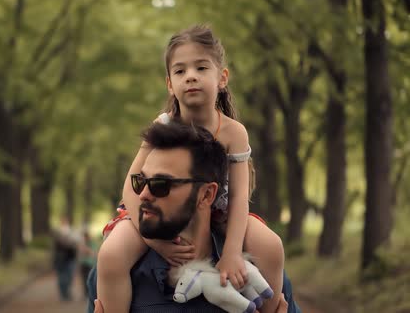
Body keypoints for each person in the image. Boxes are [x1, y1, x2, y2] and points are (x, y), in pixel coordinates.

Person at [97, 25, 286, 313]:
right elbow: (132, 187)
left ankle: (271, 307)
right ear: (170, 84)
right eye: (180, 71)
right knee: (111, 253)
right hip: (155, 210)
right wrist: (154, 241)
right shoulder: (163, 125)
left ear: (222, 78)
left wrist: (232, 253)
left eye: (201, 67)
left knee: (270, 245)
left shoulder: (234, 132)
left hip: (220, 213)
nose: (191, 77)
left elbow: (238, 198)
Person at [88, 122, 299, 312]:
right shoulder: (115, 271)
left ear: (207, 194)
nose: (143, 194)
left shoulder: (260, 274)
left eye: (161, 184)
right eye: (140, 182)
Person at [51, 217, 78, 301]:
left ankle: (67, 293)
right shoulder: (58, 233)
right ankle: (63, 294)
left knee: (69, 277)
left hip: (70, 258)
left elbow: (75, 243)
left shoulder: (72, 232)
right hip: (61, 260)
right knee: (62, 278)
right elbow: (59, 245)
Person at [79, 230, 98, 298]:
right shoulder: (82, 244)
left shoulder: (92, 243)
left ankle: (90, 293)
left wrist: (87, 250)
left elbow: (94, 253)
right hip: (83, 263)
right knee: (83, 279)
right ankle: (85, 293)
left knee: (89, 279)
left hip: (90, 264)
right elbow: (80, 253)